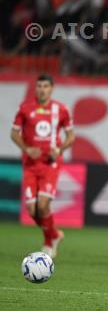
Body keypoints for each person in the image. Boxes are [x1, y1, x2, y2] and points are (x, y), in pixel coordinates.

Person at [11, 73, 75, 258]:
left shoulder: (61, 109)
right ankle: (54, 234)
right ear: (36, 88)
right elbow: (14, 134)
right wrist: (27, 148)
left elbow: (71, 136)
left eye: (46, 86)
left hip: (50, 163)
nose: (42, 89)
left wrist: (60, 149)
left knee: (43, 205)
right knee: (32, 210)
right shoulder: (25, 108)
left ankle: (48, 242)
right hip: (30, 163)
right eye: (39, 86)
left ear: (52, 88)